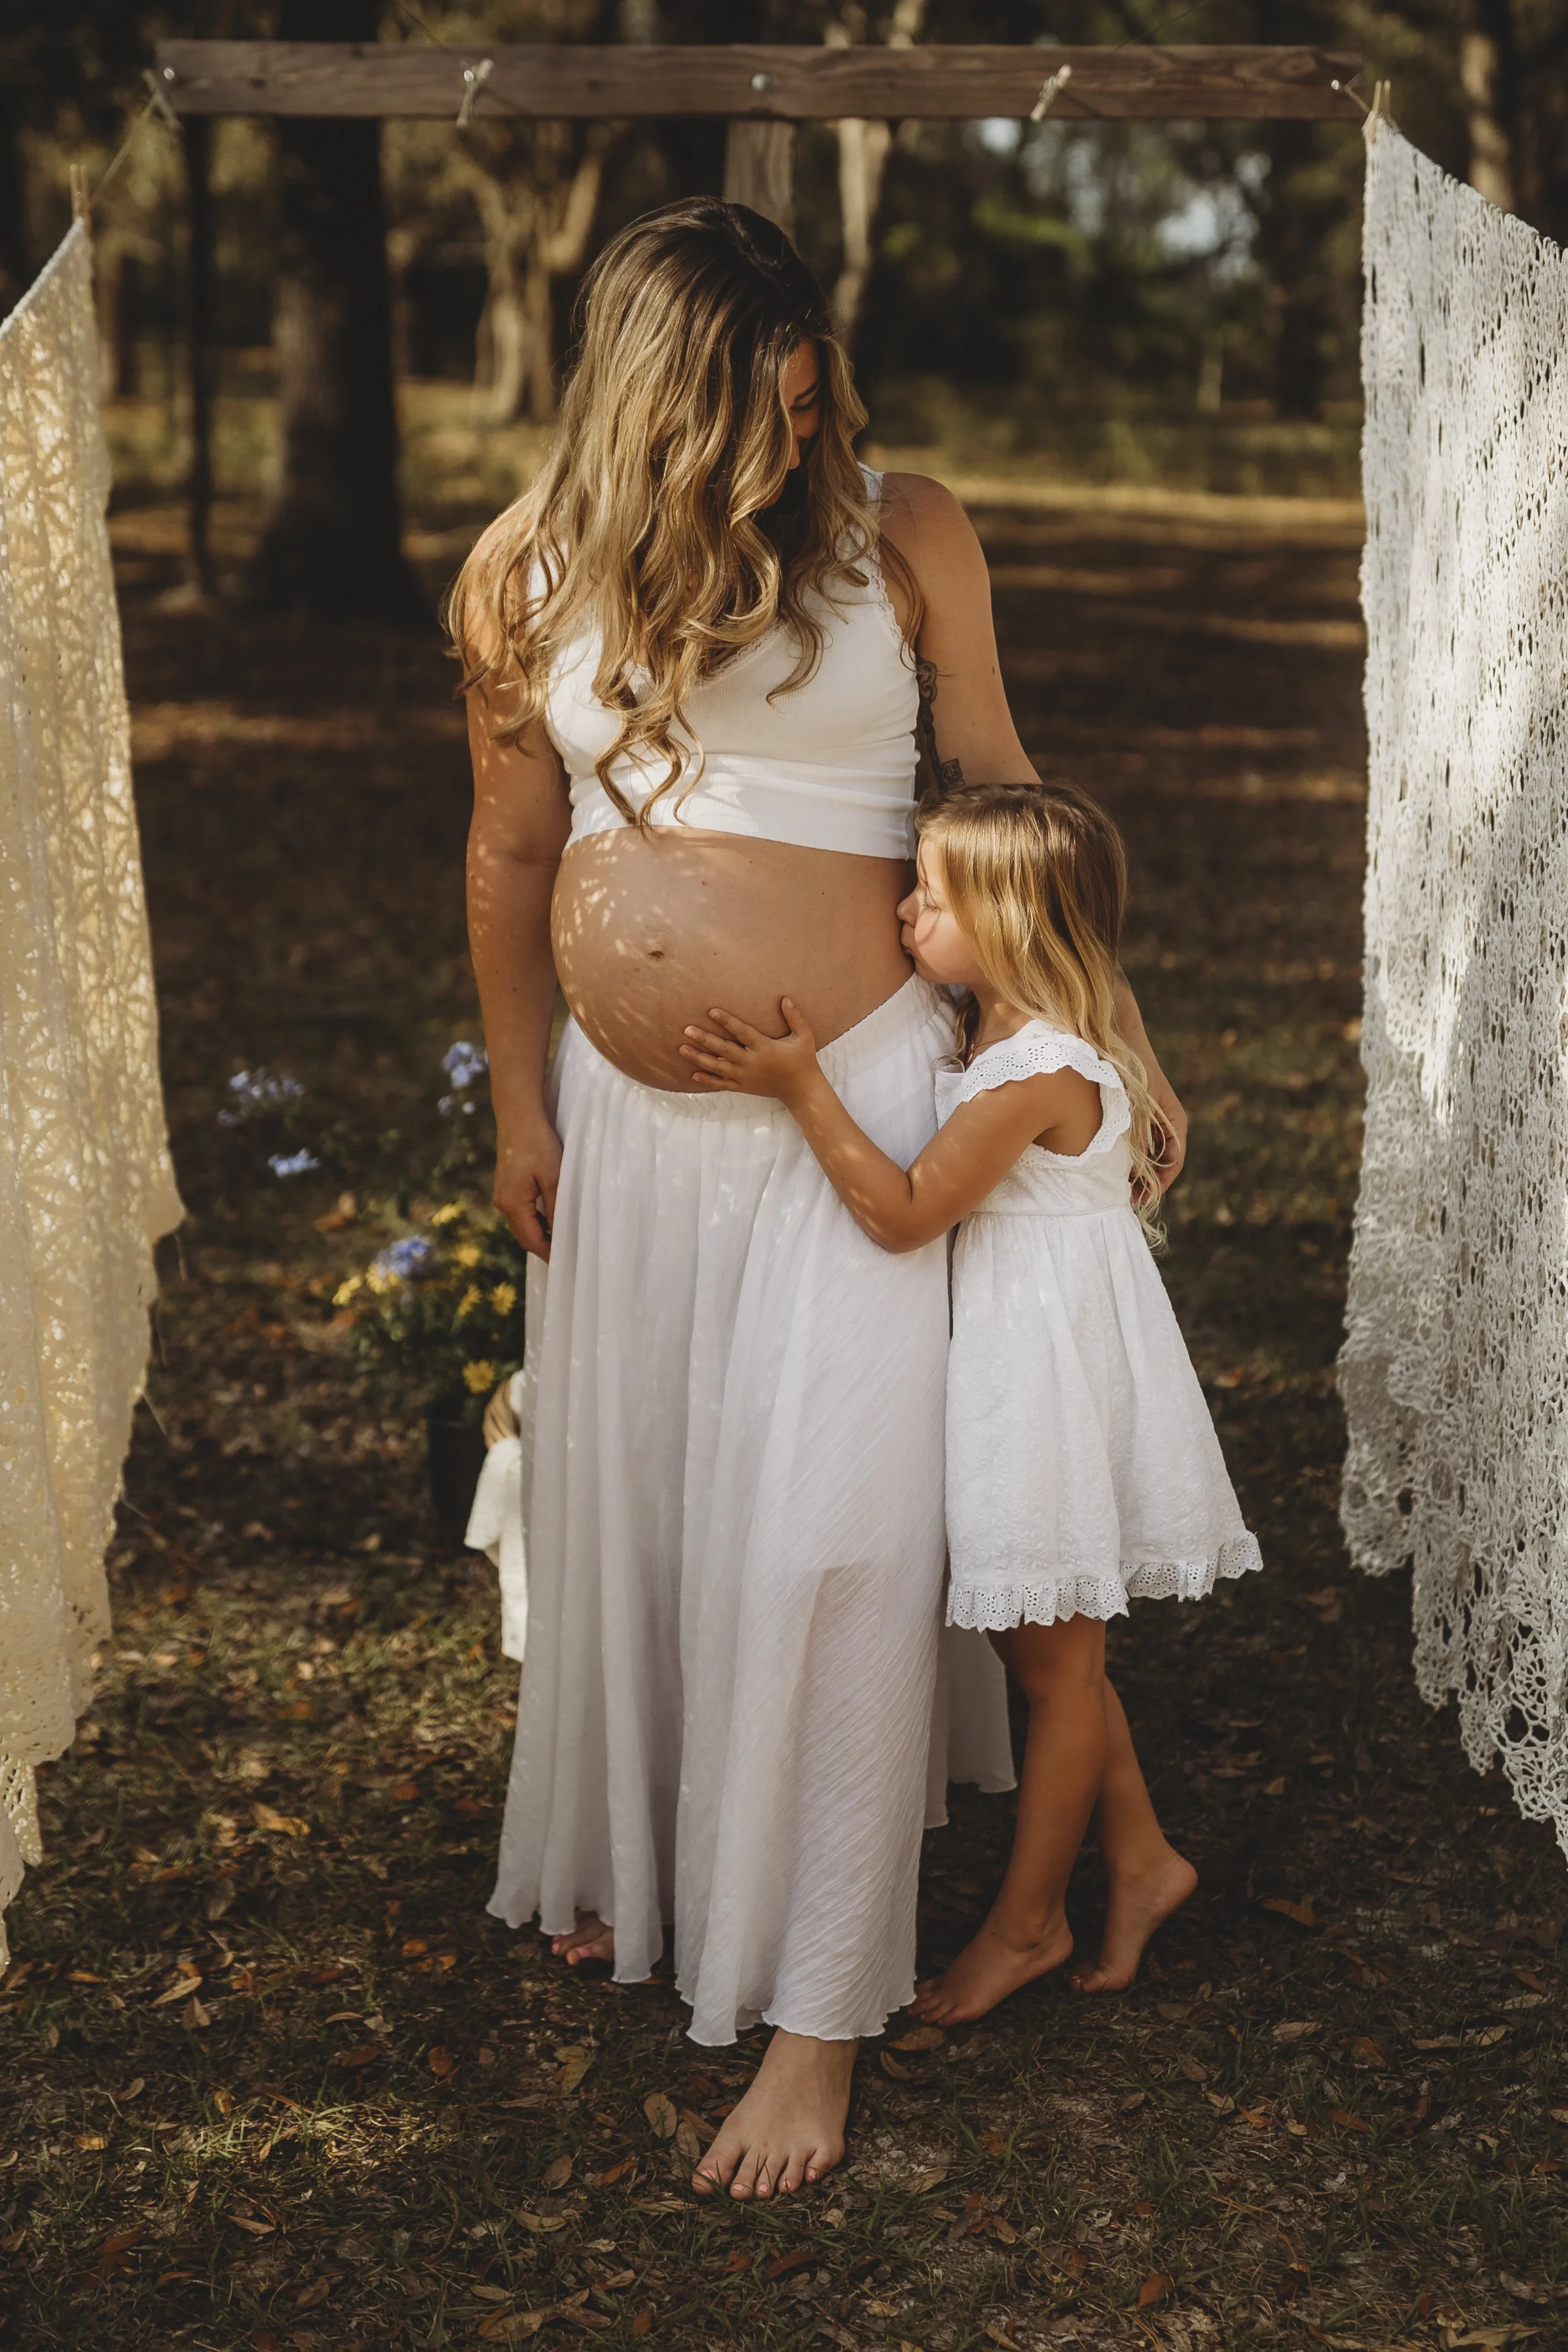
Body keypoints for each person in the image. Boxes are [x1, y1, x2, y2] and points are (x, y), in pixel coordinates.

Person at [450, 198, 1189, 2201]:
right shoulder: (524, 574)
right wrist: (519, 1098)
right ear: (659, 407)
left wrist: (1110, 1037)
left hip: (863, 1103)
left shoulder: (901, 534)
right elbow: (509, 853)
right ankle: (659, 1863)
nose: (797, 440)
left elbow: (1007, 797)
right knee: (664, 1505)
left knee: (842, 1538)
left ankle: (816, 2013)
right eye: (762, 412)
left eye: (809, 401)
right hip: (629, 1129)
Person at [679, 779, 1259, 2024]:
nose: (904, 912)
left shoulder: (1034, 1069)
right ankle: (1142, 1857)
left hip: (1039, 1378)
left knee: (1054, 1667)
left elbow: (902, 1214)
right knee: (1042, 1647)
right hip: (1021, 1356)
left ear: (1008, 925)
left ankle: (1027, 1923)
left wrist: (801, 1087)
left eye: (930, 899)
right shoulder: (1011, 1029)